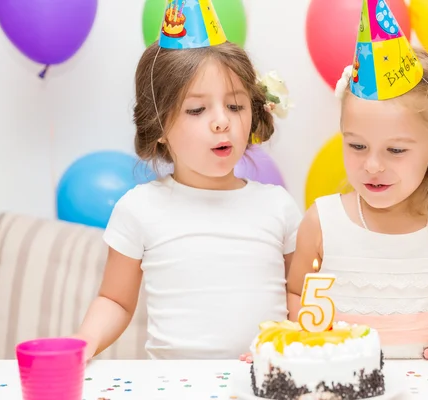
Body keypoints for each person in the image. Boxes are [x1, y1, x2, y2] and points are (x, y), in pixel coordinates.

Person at [74, 0, 302, 361]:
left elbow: (300, 295)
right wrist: (85, 343)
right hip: (173, 387)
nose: (221, 121)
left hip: (263, 381)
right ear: (160, 125)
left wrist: (291, 342)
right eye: (197, 109)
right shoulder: (139, 209)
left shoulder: (279, 207)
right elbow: (115, 299)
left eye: (235, 106)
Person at [286, 0, 428, 364]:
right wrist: (312, 338)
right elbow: (295, 294)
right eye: (356, 145)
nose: (371, 165)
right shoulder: (321, 222)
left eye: (395, 150)